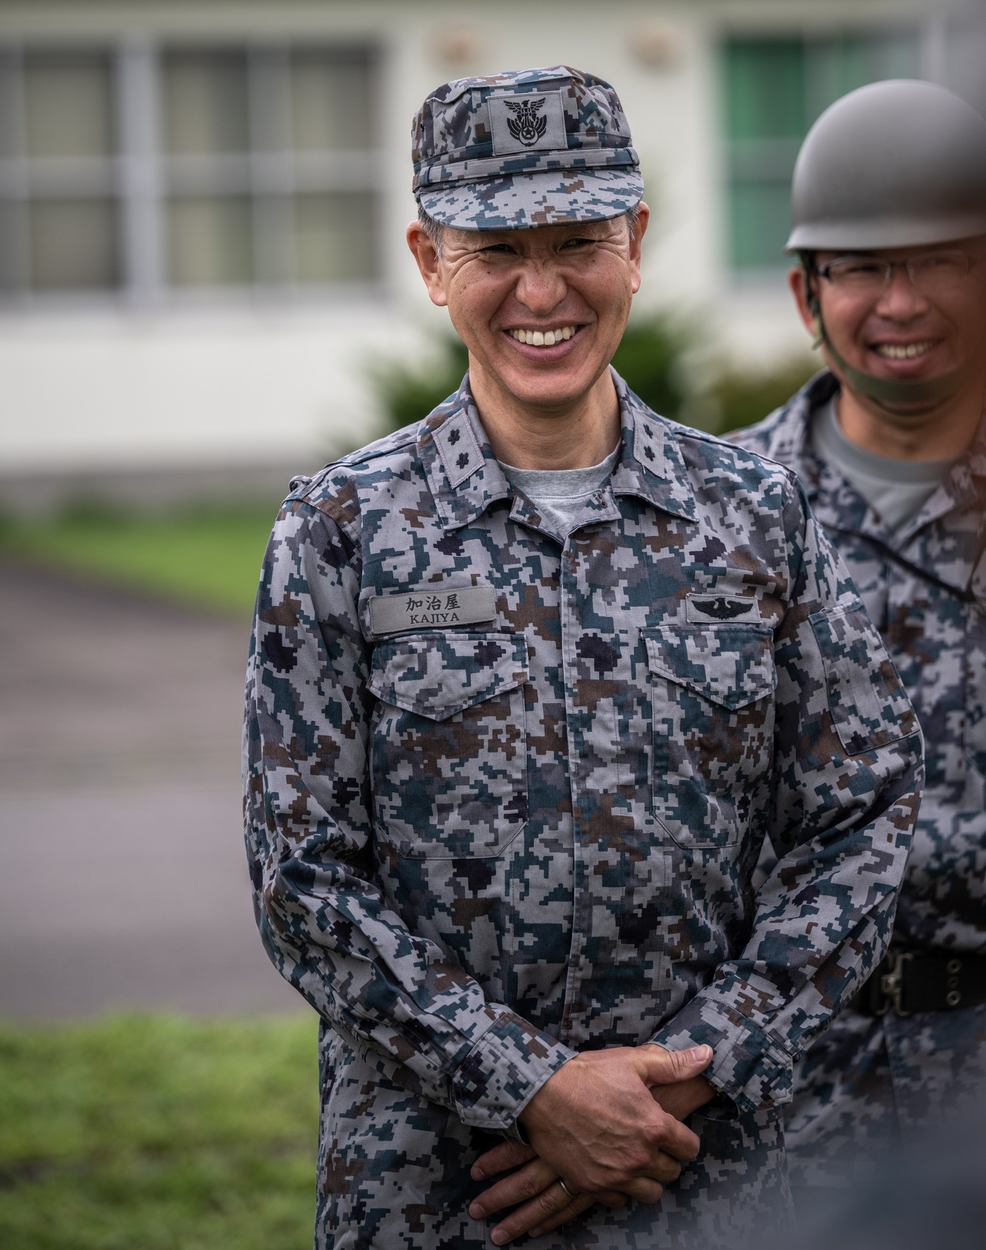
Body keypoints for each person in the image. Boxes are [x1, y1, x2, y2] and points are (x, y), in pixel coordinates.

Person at [243, 66, 921, 1249]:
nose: (541, 288)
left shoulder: (755, 514)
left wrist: (689, 1073)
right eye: (495, 246)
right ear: (426, 258)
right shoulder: (340, 531)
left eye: (578, 239)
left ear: (638, 243)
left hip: (696, 1179)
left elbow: (862, 813)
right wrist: (534, 1089)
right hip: (436, 1189)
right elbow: (301, 874)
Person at [730, 78, 986, 1208]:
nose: (901, 300)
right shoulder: (713, 516)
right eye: (861, 267)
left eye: (941, 258)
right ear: (804, 293)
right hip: (785, 1098)